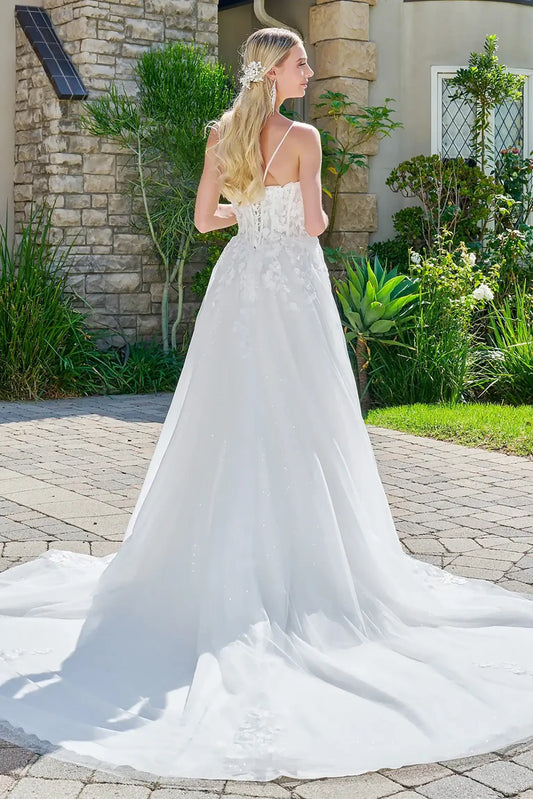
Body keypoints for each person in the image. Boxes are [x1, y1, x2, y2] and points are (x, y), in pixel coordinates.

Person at [0, 25, 533, 785]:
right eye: (301, 61)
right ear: (275, 71)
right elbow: (316, 224)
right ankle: (311, 562)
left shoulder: (224, 132)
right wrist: (289, 214)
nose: (311, 71)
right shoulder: (307, 138)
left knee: (226, 419)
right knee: (307, 423)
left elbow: (202, 219)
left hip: (241, 284)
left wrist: (248, 213)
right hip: (295, 292)